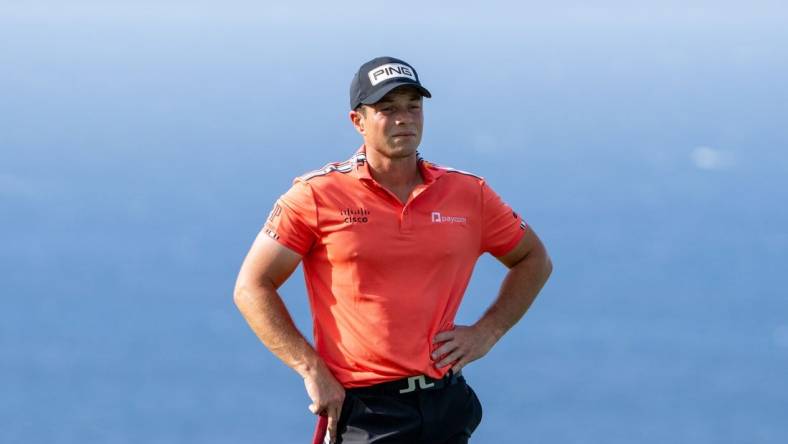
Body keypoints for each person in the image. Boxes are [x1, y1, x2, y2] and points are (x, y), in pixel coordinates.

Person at [234, 56, 553, 444]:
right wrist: (311, 369)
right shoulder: (316, 194)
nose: (404, 118)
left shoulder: (469, 193)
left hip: (446, 401)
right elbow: (252, 285)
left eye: (413, 106)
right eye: (387, 109)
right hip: (365, 411)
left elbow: (533, 259)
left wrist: (488, 331)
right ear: (358, 121)